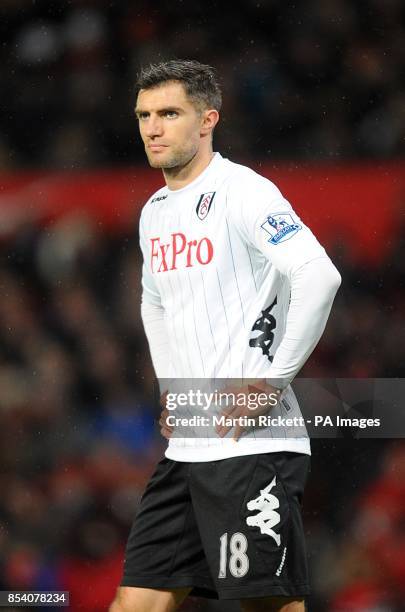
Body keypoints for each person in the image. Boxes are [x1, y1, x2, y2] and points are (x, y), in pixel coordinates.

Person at [110, 59, 341, 612]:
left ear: (207, 120)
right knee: (133, 603)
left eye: (169, 113)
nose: (153, 127)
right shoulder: (155, 213)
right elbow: (154, 301)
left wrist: (269, 382)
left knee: (267, 605)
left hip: (253, 448)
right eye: (144, 114)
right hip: (188, 450)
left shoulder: (244, 192)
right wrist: (174, 389)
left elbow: (319, 275)